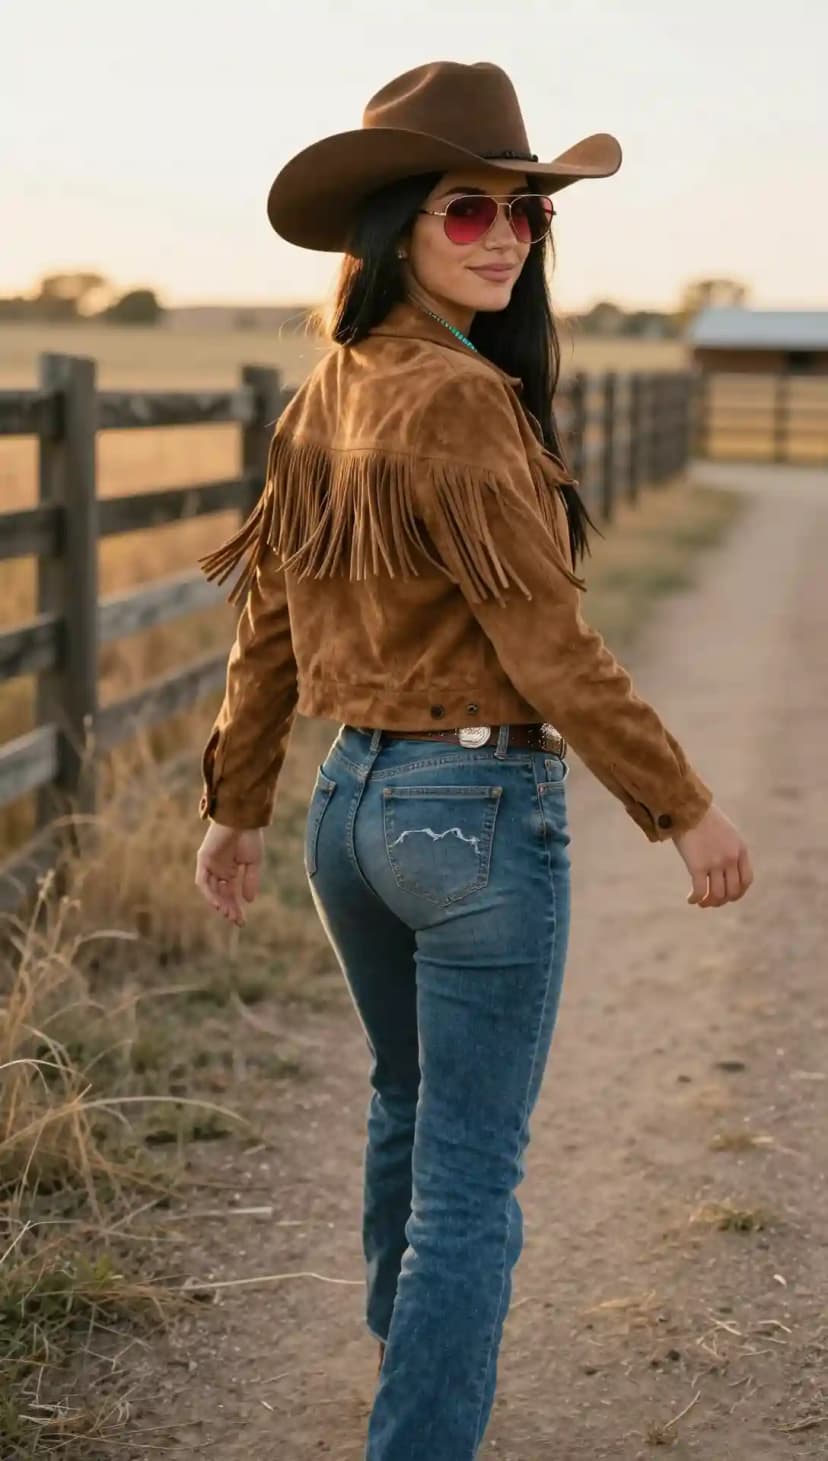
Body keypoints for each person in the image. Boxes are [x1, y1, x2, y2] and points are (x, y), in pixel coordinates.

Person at [194, 60, 754, 1461]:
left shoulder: (324, 393)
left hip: (350, 812)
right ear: (397, 227)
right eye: (468, 210)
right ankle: (421, 1432)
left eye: (524, 214)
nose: (505, 236)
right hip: (474, 815)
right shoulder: (459, 401)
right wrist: (682, 806)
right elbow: (550, 645)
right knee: (469, 1179)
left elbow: (262, 627)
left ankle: (409, 1363)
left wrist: (237, 802)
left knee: (407, 1102)